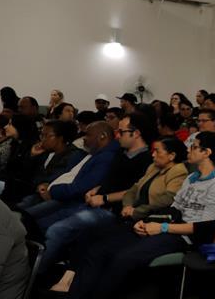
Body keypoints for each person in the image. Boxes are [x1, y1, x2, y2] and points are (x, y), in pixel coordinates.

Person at [33, 132, 215, 299]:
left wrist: (162, 228)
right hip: (167, 225)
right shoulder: (192, 178)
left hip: (183, 237)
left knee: (122, 257)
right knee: (98, 247)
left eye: (194, 147)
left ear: (206, 152)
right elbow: (175, 208)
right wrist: (147, 222)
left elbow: (203, 228)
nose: (189, 149)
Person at [32, 115, 156, 276]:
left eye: (122, 131)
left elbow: (135, 191)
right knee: (38, 223)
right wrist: (97, 189)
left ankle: (32, 278)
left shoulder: (145, 160)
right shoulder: (121, 153)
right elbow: (111, 180)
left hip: (112, 210)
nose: (117, 135)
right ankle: (42, 267)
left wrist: (104, 198)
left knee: (57, 230)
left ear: (136, 133)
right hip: (94, 201)